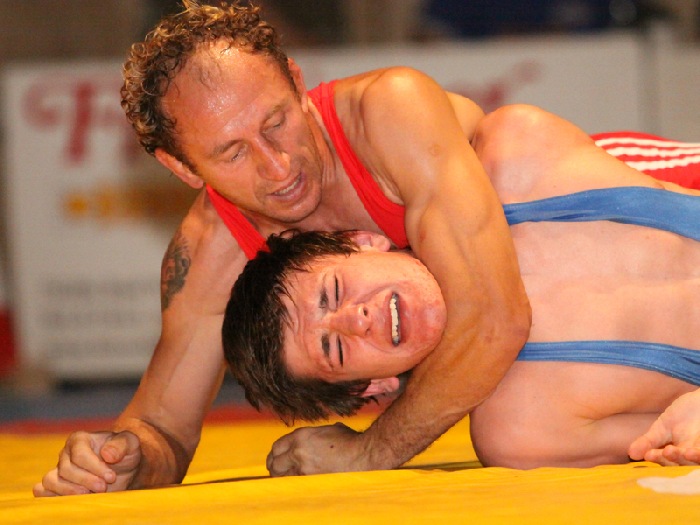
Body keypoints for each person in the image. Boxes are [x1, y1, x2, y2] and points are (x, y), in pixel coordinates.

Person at [32, 1, 700, 495]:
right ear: (182, 168)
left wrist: (370, 451)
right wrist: (117, 460)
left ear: (297, 81)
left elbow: (494, 316)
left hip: (591, 219)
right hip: (561, 359)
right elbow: (162, 427)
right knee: (521, 430)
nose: (277, 167)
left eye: (277, 122)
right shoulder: (210, 253)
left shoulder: (388, 112)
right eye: (232, 153)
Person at [222, 104, 700, 470]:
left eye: (333, 292)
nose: (355, 318)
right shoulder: (522, 431)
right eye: (335, 348)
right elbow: (676, 438)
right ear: (374, 385)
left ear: (363, 241)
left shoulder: (515, 155)